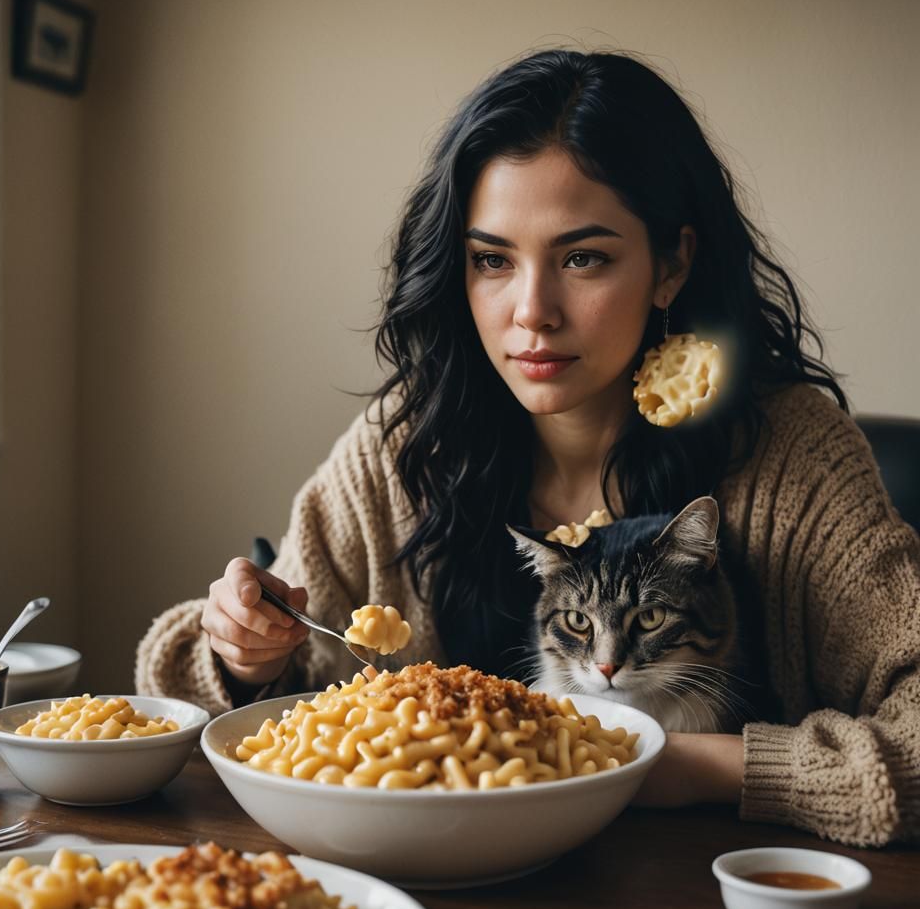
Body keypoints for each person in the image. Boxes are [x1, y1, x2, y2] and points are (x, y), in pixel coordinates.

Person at [135, 49, 920, 848]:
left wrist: (689, 768)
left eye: (583, 258)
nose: (531, 311)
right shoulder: (410, 441)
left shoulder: (792, 452)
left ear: (672, 263)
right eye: (492, 261)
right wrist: (243, 653)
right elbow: (198, 690)